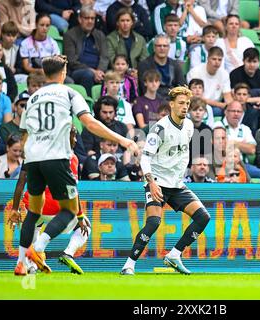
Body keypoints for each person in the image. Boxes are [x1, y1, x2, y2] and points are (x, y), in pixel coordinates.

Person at [21, 55, 138, 274]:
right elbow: (91, 123)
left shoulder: (33, 97)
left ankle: (23, 263)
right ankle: (37, 248)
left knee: (33, 214)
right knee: (70, 211)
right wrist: (122, 140)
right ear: (64, 73)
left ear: (45, 73)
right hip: (55, 157)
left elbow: (24, 135)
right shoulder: (69, 93)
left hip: (32, 158)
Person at [120, 86, 210, 275]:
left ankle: (174, 255)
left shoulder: (189, 126)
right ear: (171, 105)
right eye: (181, 103)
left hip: (177, 185)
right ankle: (129, 265)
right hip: (158, 182)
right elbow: (145, 158)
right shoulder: (159, 128)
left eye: (187, 103)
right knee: (153, 222)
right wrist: (151, 182)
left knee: (203, 217)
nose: (185, 107)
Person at [9, 125, 90, 275]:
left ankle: (23, 264)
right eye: (73, 136)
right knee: (83, 223)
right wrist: (79, 216)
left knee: (33, 223)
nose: (75, 140)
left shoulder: (33, 152)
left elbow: (20, 182)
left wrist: (14, 208)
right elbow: (72, 190)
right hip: (55, 207)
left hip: (33, 204)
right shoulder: (70, 157)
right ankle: (43, 250)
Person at [63, 5, 109, 96]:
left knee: (115, 75)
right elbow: (72, 61)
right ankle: (88, 103)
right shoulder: (70, 35)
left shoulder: (100, 35)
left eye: (92, 18)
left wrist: (99, 71)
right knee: (88, 75)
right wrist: (93, 71)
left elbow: (104, 57)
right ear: (80, 19)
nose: (90, 21)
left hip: (98, 71)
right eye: (87, 18)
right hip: (77, 71)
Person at [187, 46, 232, 117]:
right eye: (214, 59)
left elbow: (228, 97)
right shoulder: (195, 72)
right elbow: (195, 96)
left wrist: (230, 107)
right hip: (197, 105)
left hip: (217, 106)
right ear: (208, 58)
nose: (217, 62)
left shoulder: (224, 74)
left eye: (219, 60)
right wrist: (220, 105)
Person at [137, 33, 185, 100]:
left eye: (165, 46)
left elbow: (182, 87)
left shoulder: (175, 65)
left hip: (173, 101)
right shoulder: (144, 65)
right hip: (152, 100)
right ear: (154, 48)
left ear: (169, 48)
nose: (162, 48)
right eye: (159, 46)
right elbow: (144, 89)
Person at [106, 7, 149, 72]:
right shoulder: (110, 39)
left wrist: (138, 72)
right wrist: (128, 71)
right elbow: (111, 61)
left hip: (136, 74)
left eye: (128, 20)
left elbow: (144, 60)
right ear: (117, 22)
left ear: (132, 22)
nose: (125, 23)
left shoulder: (140, 39)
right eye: (122, 20)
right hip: (117, 74)